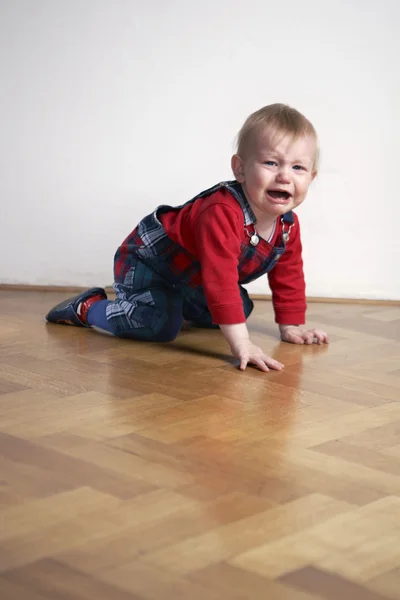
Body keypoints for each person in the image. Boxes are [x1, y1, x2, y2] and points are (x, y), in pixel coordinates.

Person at [46, 103, 329, 372]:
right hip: (149, 263)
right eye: (271, 162)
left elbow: (289, 274)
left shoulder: (287, 225)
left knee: (240, 308)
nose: (284, 177)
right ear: (240, 169)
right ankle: (88, 308)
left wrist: (291, 325)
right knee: (160, 326)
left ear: (311, 177)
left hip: (191, 276)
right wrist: (242, 343)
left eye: (298, 168)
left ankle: (170, 304)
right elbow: (220, 279)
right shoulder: (222, 212)